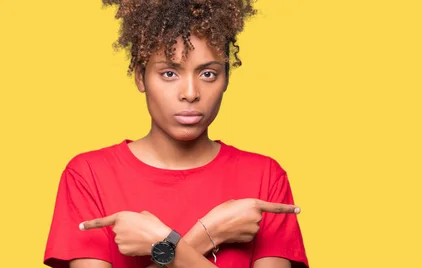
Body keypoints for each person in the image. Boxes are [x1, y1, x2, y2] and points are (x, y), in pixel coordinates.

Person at [42, 0, 309, 267]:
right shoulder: (89, 176)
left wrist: (168, 244)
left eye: (208, 74)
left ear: (226, 79)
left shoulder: (265, 177)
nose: (190, 93)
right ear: (140, 77)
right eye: (169, 73)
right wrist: (206, 235)